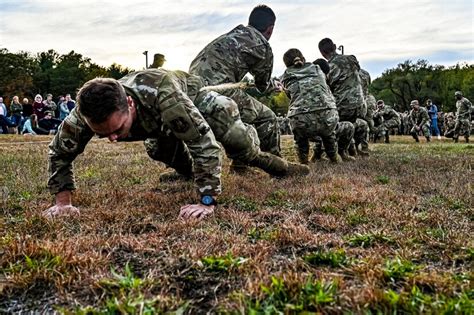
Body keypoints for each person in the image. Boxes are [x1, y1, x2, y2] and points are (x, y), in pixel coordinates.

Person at [189, 4, 281, 159]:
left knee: (243, 117)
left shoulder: (232, 34)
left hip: (192, 87)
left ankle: (240, 163)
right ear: (270, 29)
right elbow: (262, 85)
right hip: (218, 90)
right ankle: (277, 165)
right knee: (267, 118)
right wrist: (274, 85)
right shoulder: (262, 45)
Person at [280, 48, 342, 164]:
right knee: (329, 135)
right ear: (303, 58)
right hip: (328, 116)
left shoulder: (285, 76)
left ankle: (304, 162)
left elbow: (290, 95)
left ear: (286, 65)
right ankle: (334, 158)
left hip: (302, 120)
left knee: (301, 138)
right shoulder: (318, 69)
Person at [318, 37, 368, 156]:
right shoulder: (352, 58)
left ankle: (325, 152)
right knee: (352, 122)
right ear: (335, 46)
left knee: (326, 122)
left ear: (322, 53)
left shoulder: (328, 67)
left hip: (343, 106)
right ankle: (352, 148)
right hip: (360, 105)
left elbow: (326, 88)